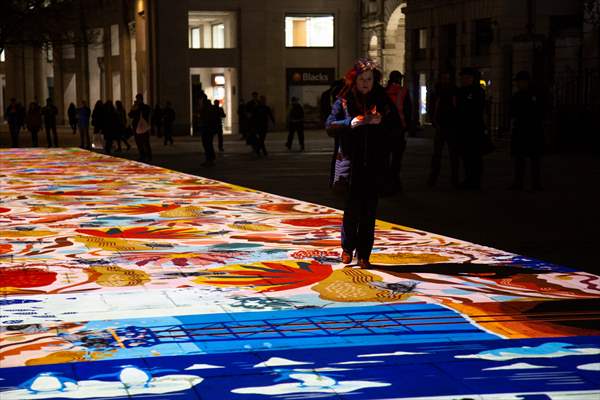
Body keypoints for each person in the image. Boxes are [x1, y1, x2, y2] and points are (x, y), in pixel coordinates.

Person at [326, 58, 399, 269]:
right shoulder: (344, 100)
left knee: (369, 210)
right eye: (362, 79)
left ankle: (364, 254)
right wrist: (350, 122)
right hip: (351, 164)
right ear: (354, 80)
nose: (366, 83)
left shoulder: (383, 100)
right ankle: (348, 248)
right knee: (352, 209)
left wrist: (382, 121)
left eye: (369, 79)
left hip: (375, 164)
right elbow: (329, 125)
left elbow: (396, 126)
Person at [509, 71, 544, 191]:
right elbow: (512, 111)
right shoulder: (517, 96)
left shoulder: (535, 94)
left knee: (534, 158)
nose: (518, 84)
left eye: (520, 82)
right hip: (522, 130)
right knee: (520, 158)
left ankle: (535, 183)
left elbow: (540, 111)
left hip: (532, 130)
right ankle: (519, 182)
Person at [455, 67, 486, 190]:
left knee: (475, 156)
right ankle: (469, 179)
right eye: (462, 78)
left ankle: (475, 181)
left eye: (465, 77)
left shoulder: (477, 91)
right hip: (464, 129)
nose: (462, 80)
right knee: (466, 156)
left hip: (474, 129)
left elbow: (475, 109)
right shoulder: (461, 91)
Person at [428, 71, 460, 187]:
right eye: (444, 78)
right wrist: (433, 120)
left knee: (451, 154)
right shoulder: (438, 90)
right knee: (439, 154)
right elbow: (432, 106)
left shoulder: (452, 90)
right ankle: (435, 177)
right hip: (442, 125)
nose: (445, 80)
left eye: (447, 78)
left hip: (450, 126)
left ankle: (452, 178)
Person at [384, 70, 412, 192]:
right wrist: (408, 127)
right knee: (397, 158)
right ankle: (395, 182)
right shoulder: (403, 91)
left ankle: (387, 183)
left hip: (385, 129)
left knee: (385, 158)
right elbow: (408, 110)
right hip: (399, 128)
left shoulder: (384, 92)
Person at [321, 79, 346, 187]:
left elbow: (324, 110)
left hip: (334, 125)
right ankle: (339, 179)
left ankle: (334, 178)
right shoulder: (343, 94)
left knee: (337, 151)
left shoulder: (326, 94)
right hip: (342, 126)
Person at [129, 93, 153, 162]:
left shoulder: (143, 107)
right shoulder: (143, 107)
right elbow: (130, 115)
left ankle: (146, 156)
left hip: (142, 126)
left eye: (138, 99)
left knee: (144, 142)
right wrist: (134, 108)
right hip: (138, 126)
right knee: (141, 142)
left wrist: (135, 108)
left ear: (140, 99)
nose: (137, 100)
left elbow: (131, 115)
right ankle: (144, 156)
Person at [198, 93, 215, 166]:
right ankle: (210, 159)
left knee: (207, 144)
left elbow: (206, 118)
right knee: (208, 144)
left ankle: (209, 160)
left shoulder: (206, 107)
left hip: (207, 129)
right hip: (208, 128)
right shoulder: (207, 106)